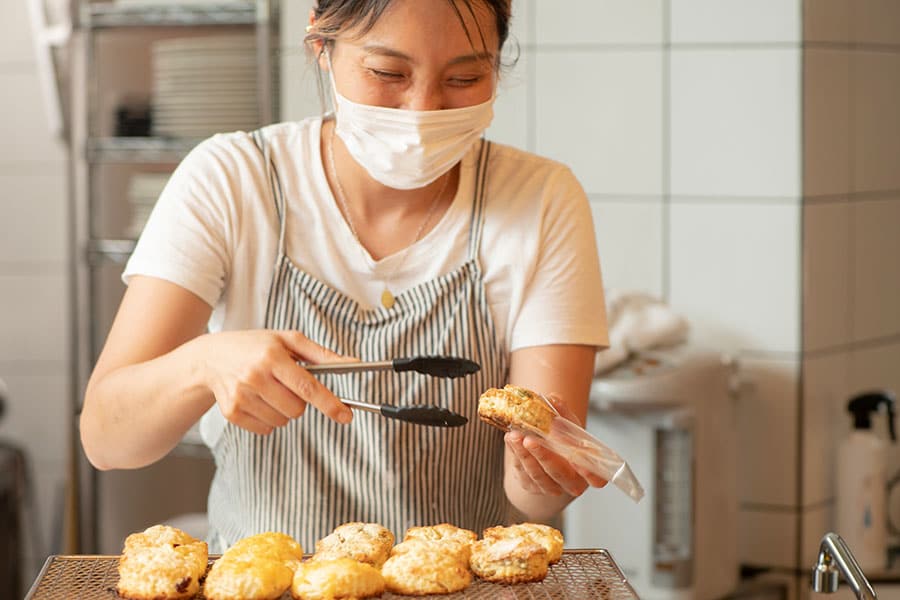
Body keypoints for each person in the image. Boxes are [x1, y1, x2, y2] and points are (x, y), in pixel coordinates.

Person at [80, 0, 608, 553]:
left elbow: (536, 498)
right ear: (320, 42)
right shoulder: (233, 181)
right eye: (387, 72)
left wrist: (543, 472)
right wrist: (202, 364)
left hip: (463, 586)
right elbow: (107, 439)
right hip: (264, 585)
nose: (421, 110)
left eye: (464, 77)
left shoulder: (541, 199)